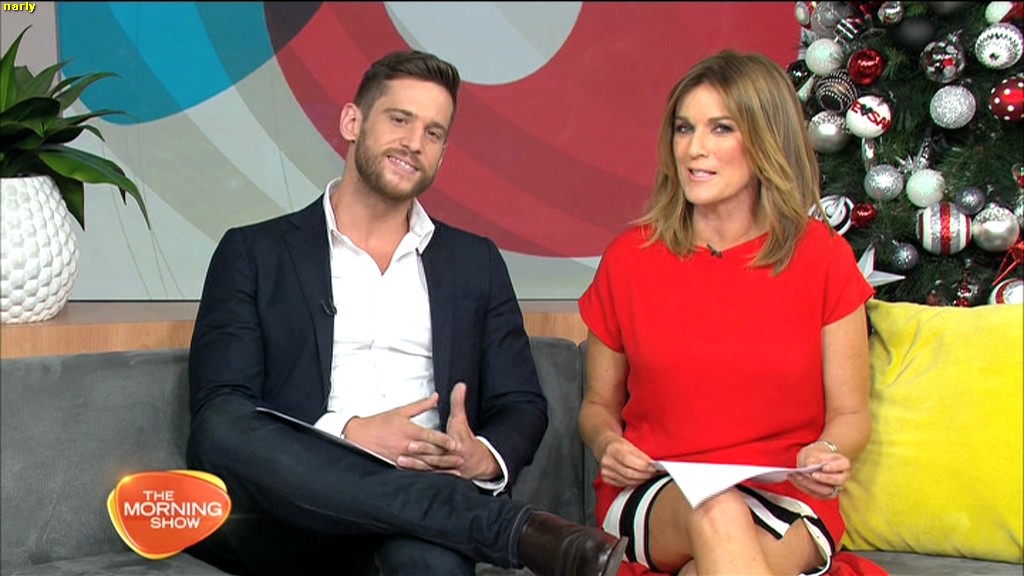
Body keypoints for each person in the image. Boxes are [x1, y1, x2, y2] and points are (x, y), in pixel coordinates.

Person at [186, 49, 627, 576]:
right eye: (400, 119)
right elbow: (221, 414)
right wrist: (347, 433)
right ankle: (495, 525)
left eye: (433, 133)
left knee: (431, 563)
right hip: (293, 514)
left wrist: (482, 455)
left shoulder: (475, 263)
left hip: (416, 522)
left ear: (442, 153)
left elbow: (521, 404)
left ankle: (448, 512)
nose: (415, 142)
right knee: (220, 429)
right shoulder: (254, 252)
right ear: (352, 123)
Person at [577, 50, 875, 576]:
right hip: (660, 490)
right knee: (718, 512)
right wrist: (607, 443)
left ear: (765, 140)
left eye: (721, 128)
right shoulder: (628, 259)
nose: (695, 148)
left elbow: (851, 414)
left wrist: (826, 451)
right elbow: (598, 405)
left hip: (785, 491)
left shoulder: (822, 256)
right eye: (684, 128)